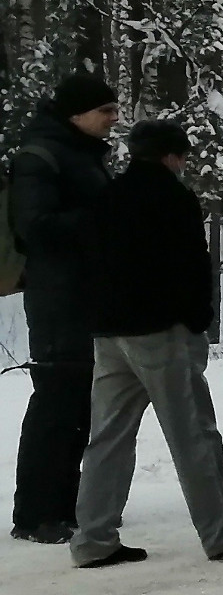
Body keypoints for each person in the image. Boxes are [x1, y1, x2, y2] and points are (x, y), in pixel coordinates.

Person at [69, 119, 223, 568]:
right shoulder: (174, 198)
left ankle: (92, 538)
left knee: (108, 437)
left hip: (109, 334)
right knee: (193, 434)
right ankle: (222, 531)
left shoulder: (106, 197)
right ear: (171, 155)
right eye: (182, 155)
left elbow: (87, 262)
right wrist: (197, 320)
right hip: (161, 333)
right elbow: (188, 268)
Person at [10, 71, 120, 544]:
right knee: (56, 401)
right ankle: (35, 514)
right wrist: (100, 219)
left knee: (80, 402)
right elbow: (34, 227)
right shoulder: (41, 156)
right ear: (77, 115)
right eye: (105, 111)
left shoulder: (78, 155)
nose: (114, 119)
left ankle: (65, 505)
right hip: (58, 297)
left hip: (83, 294)